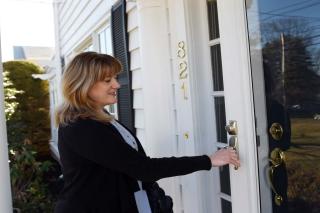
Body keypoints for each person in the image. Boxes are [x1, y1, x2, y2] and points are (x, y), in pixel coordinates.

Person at [54, 52, 240, 213]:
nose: (117, 85)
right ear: (83, 85)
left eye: (115, 78)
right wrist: (209, 160)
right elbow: (143, 168)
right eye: (107, 80)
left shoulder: (100, 117)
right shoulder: (81, 126)